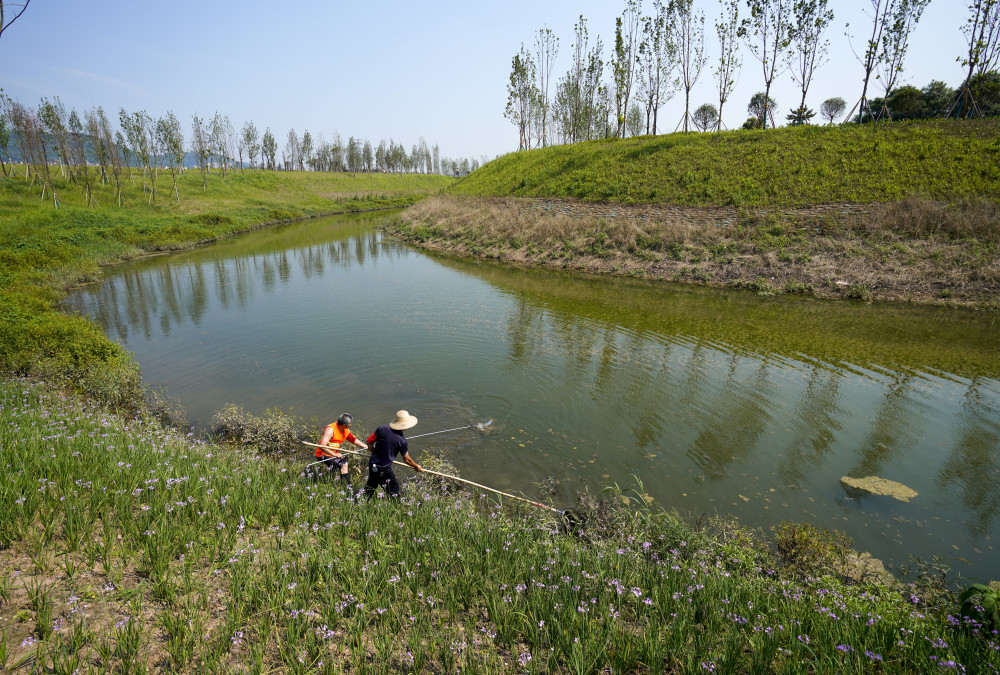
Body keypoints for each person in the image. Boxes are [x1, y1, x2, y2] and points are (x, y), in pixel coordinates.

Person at [363, 410, 422, 500]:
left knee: (371, 486)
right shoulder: (402, 441)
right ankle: (395, 509)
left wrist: (375, 454)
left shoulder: (381, 428)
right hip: (384, 469)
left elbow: (369, 442)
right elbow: (407, 460)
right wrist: (415, 466)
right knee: (393, 489)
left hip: (373, 464)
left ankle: (360, 503)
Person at [315, 413, 368, 490]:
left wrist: (363, 445)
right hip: (323, 454)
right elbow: (322, 446)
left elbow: (352, 439)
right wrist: (335, 454)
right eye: (350, 423)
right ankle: (347, 488)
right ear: (344, 425)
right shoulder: (330, 430)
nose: (351, 424)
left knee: (333, 470)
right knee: (344, 465)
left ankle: (332, 484)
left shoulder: (345, 429)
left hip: (333, 454)